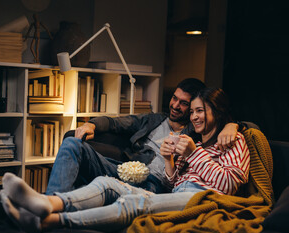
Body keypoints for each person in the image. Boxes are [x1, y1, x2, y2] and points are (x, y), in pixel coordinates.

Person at [0, 87, 250, 233]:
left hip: (202, 198)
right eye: (191, 109)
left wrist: (197, 150)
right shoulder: (164, 125)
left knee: (134, 202)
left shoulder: (232, 140)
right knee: (104, 183)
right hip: (169, 190)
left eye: (197, 110)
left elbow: (227, 186)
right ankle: (48, 201)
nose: (194, 116)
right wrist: (171, 161)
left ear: (217, 112)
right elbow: (174, 184)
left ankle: (50, 221)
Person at [46, 78, 240, 195]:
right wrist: (91, 124)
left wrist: (233, 125)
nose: (174, 105)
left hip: (153, 183)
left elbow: (228, 121)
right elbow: (118, 122)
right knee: (72, 143)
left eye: (183, 103)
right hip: (124, 169)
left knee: (105, 188)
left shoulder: (197, 133)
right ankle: (52, 202)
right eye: (174, 98)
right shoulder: (153, 120)